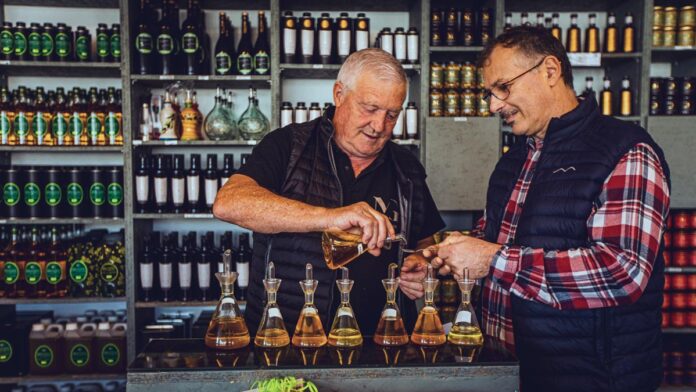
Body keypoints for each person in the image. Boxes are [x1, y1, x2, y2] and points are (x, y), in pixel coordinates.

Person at [401, 26, 671, 391]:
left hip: (592, 379)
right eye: (489, 94)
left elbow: (622, 271)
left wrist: (492, 259)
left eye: (503, 87)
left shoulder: (625, 151)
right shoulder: (511, 163)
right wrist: (442, 259)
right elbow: (497, 240)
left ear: (549, 71)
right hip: (508, 373)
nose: (494, 105)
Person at [213, 48, 445, 336]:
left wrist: (421, 263)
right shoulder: (289, 146)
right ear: (339, 95)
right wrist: (330, 218)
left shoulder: (406, 168)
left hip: (382, 338)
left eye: (391, 115)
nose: (379, 126)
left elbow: (425, 238)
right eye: (370, 109)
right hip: (285, 335)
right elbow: (229, 203)